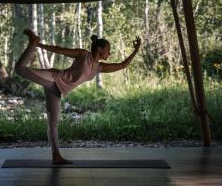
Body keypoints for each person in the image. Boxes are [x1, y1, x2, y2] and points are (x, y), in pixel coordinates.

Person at [15, 29, 141, 164]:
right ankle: (33, 43)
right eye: (108, 50)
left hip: (57, 90)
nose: (109, 53)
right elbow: (60, 50)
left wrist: (136, 50)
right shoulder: (83, 54)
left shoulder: (99, 67)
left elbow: (122, 65)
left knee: (53, 124)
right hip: (54, 79)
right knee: (19, 69)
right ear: (100, 49)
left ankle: (56, 156)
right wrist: (38, 45)